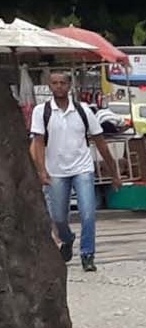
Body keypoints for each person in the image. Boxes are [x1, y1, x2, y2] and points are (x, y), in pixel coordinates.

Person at [26, 72, 108, 270]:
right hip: (55, 171)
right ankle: (67, 238)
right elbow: (37, 143)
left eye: (63, 83)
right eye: (55, 83)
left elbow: (100, 142)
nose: (59, 87)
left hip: (82, 168)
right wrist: (41, 170)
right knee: (58, 217)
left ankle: (88, 255)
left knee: (88, 213)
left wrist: (113, 171)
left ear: (69, 86)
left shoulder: (83, 111)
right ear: (49, 86)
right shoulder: (41, 111)